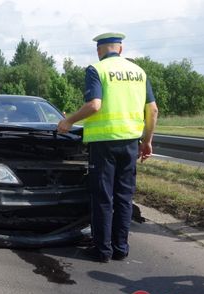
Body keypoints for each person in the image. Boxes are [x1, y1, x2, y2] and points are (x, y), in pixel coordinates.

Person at [57, 32, 158, 263]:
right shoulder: (139, 72)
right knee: (124, 196)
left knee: (103, 197)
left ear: (99, 51)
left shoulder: (97, 70)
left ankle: (102, 251)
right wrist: (147, 141)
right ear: (120, 49)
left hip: (104, 144)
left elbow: (94, 105)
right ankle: (121, 248)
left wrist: (69, 121)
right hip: (131, 143)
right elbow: (152, 110)